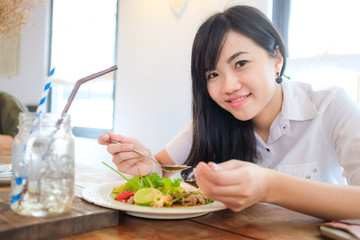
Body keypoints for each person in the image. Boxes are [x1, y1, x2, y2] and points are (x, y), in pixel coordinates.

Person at [98, 5, 360, 220]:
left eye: (241, 63)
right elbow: (161, 170)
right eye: (213, 74)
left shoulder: (330, 106)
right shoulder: (211, 121)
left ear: (276, 59)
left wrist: (269, 186)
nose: (229, 87)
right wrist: (148, 167)